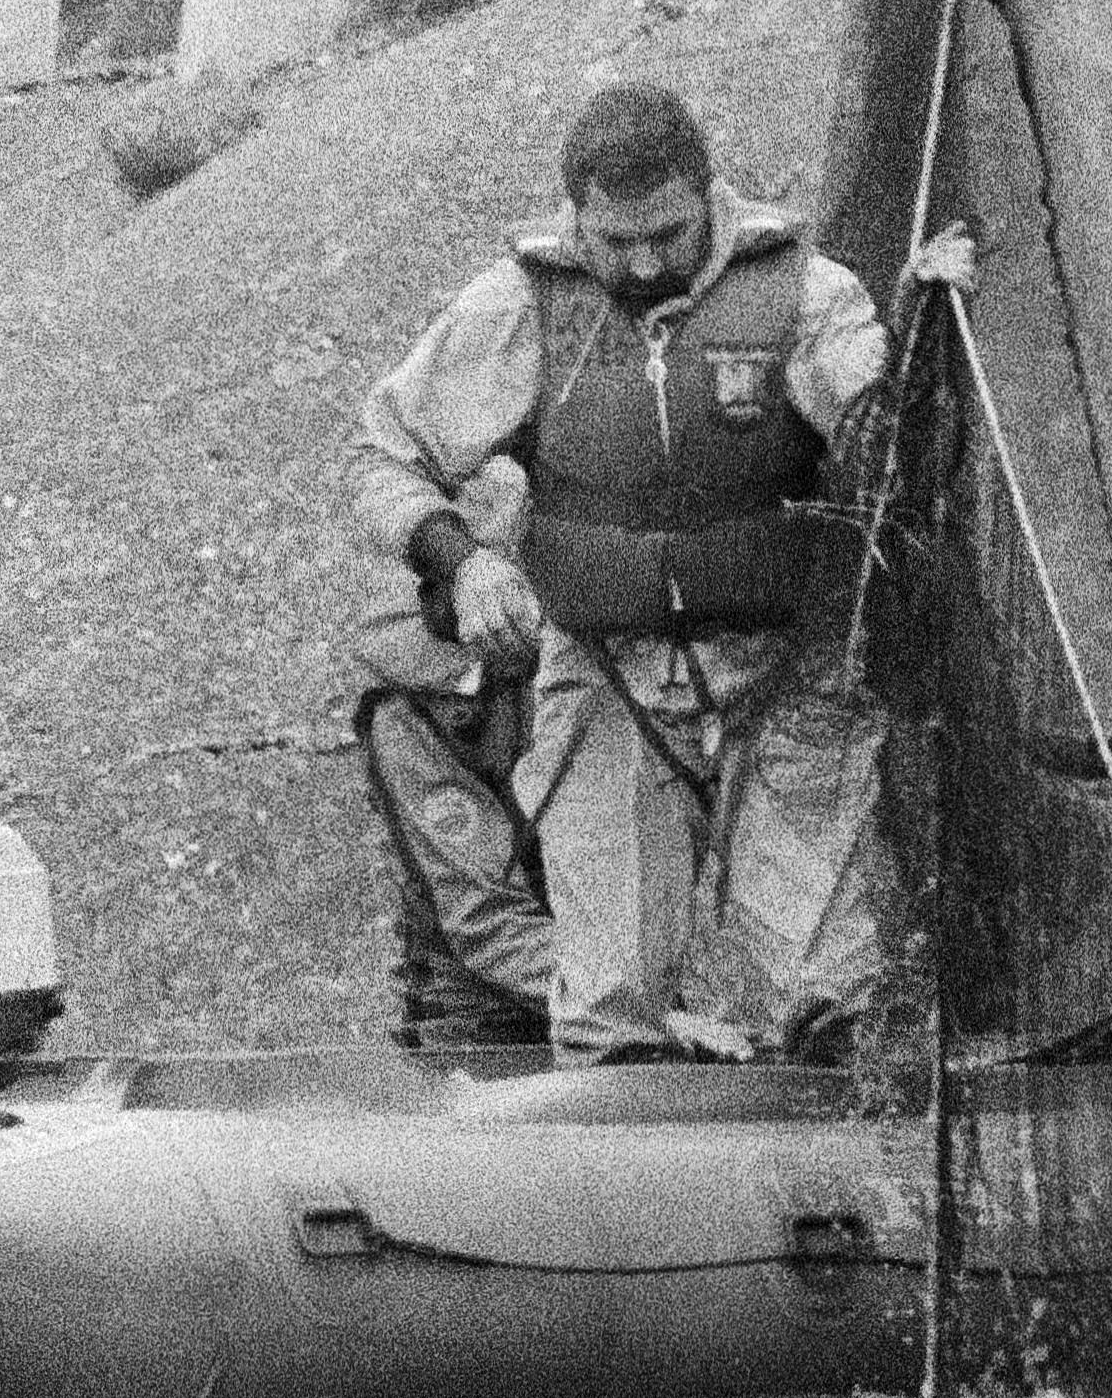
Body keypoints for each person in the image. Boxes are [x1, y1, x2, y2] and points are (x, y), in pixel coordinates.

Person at [345, 84, 908, 1063]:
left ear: (708, 196)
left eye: (670, 233)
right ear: (577, 217)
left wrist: (915, 350)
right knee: (609, 1012)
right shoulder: (520, 303)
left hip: (787, 671)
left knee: (830, 997)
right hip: (604, 674)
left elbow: (876, 425)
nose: (644, 261)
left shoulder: (809, 293)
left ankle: (846, 1199)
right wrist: (465, 562)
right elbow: (386, 455)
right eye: (616, 240)